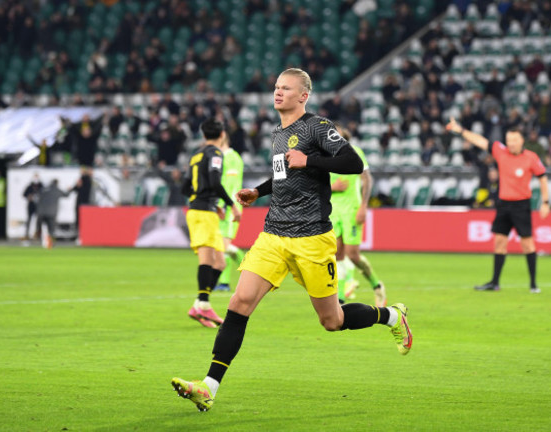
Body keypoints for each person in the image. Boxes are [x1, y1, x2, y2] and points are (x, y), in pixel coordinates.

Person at [171, 68, 412, 411]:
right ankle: (208, 386)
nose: (278, 92)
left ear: (304, 96)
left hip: (312, 237)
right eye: (276, 87)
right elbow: (284, 172)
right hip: (273, 234)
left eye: (286, 88)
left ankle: (390, 316)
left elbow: (354, 162)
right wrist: (259, 190)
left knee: (332, 321)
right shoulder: (278, 133)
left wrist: (311, 159)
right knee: (239, 304)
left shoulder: (317, 126)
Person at [446, 117, 550, 293]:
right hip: (504, 204)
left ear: (521, 140)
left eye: (514, 140)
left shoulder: (531, 158)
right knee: (499, 242)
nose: (511, 143)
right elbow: (480, 141)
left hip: (521, 205)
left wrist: (546, 202)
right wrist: (461, 130)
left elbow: (543, 178)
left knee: (527, 244)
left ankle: (533, 284)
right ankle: (495, 283)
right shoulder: (500, 152)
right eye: (508, 140)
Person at [181, 118, 242, 328]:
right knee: (207, 261)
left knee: (220, 263)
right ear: (222, 134)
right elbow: (215, 182)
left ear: (203, 134)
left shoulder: (195, 155)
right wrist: (230, 204)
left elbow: (185, 187)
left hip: (200, 210)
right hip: (203, 213)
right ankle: (204, 305)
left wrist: (205, 200)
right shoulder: (216, 154)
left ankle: (199, 304)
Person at [330, 126, 386, 306]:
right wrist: (332, 187)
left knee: (353, 255)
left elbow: (367, 179)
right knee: (336, 254)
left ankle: (377, 285)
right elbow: (317, 183)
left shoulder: (354, 152)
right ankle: (340, 298)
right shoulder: (325, 155)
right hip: (333, 210)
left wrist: (363, 206)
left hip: (352, 209)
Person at [214, 134, 245, 292]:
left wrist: (225, 205)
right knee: (221, 246)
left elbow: (231, 185)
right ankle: (223, 282)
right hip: (223, 206)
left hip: (229, 208)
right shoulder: (223, 158)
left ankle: (247, 267)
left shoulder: (232, 158)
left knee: (224, 246)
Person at [37, 179, 71, 249]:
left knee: (43, 228)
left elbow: (38, 196)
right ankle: (50, 243)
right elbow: (66, 195)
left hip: (42, 212)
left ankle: (43, 242)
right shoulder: (56, 190)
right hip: (52, 213)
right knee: (51, 229)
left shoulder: (44, 189)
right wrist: (69, 189)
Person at [22, 173, 43, 239]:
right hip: (31, 205)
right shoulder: (30, 186)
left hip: (39, 205)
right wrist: (29, 196)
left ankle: (38, 234)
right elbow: (24, 194)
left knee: (39, 220)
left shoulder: (41, 186)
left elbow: (44, 194)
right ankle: (27, 234)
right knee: (29, 219)